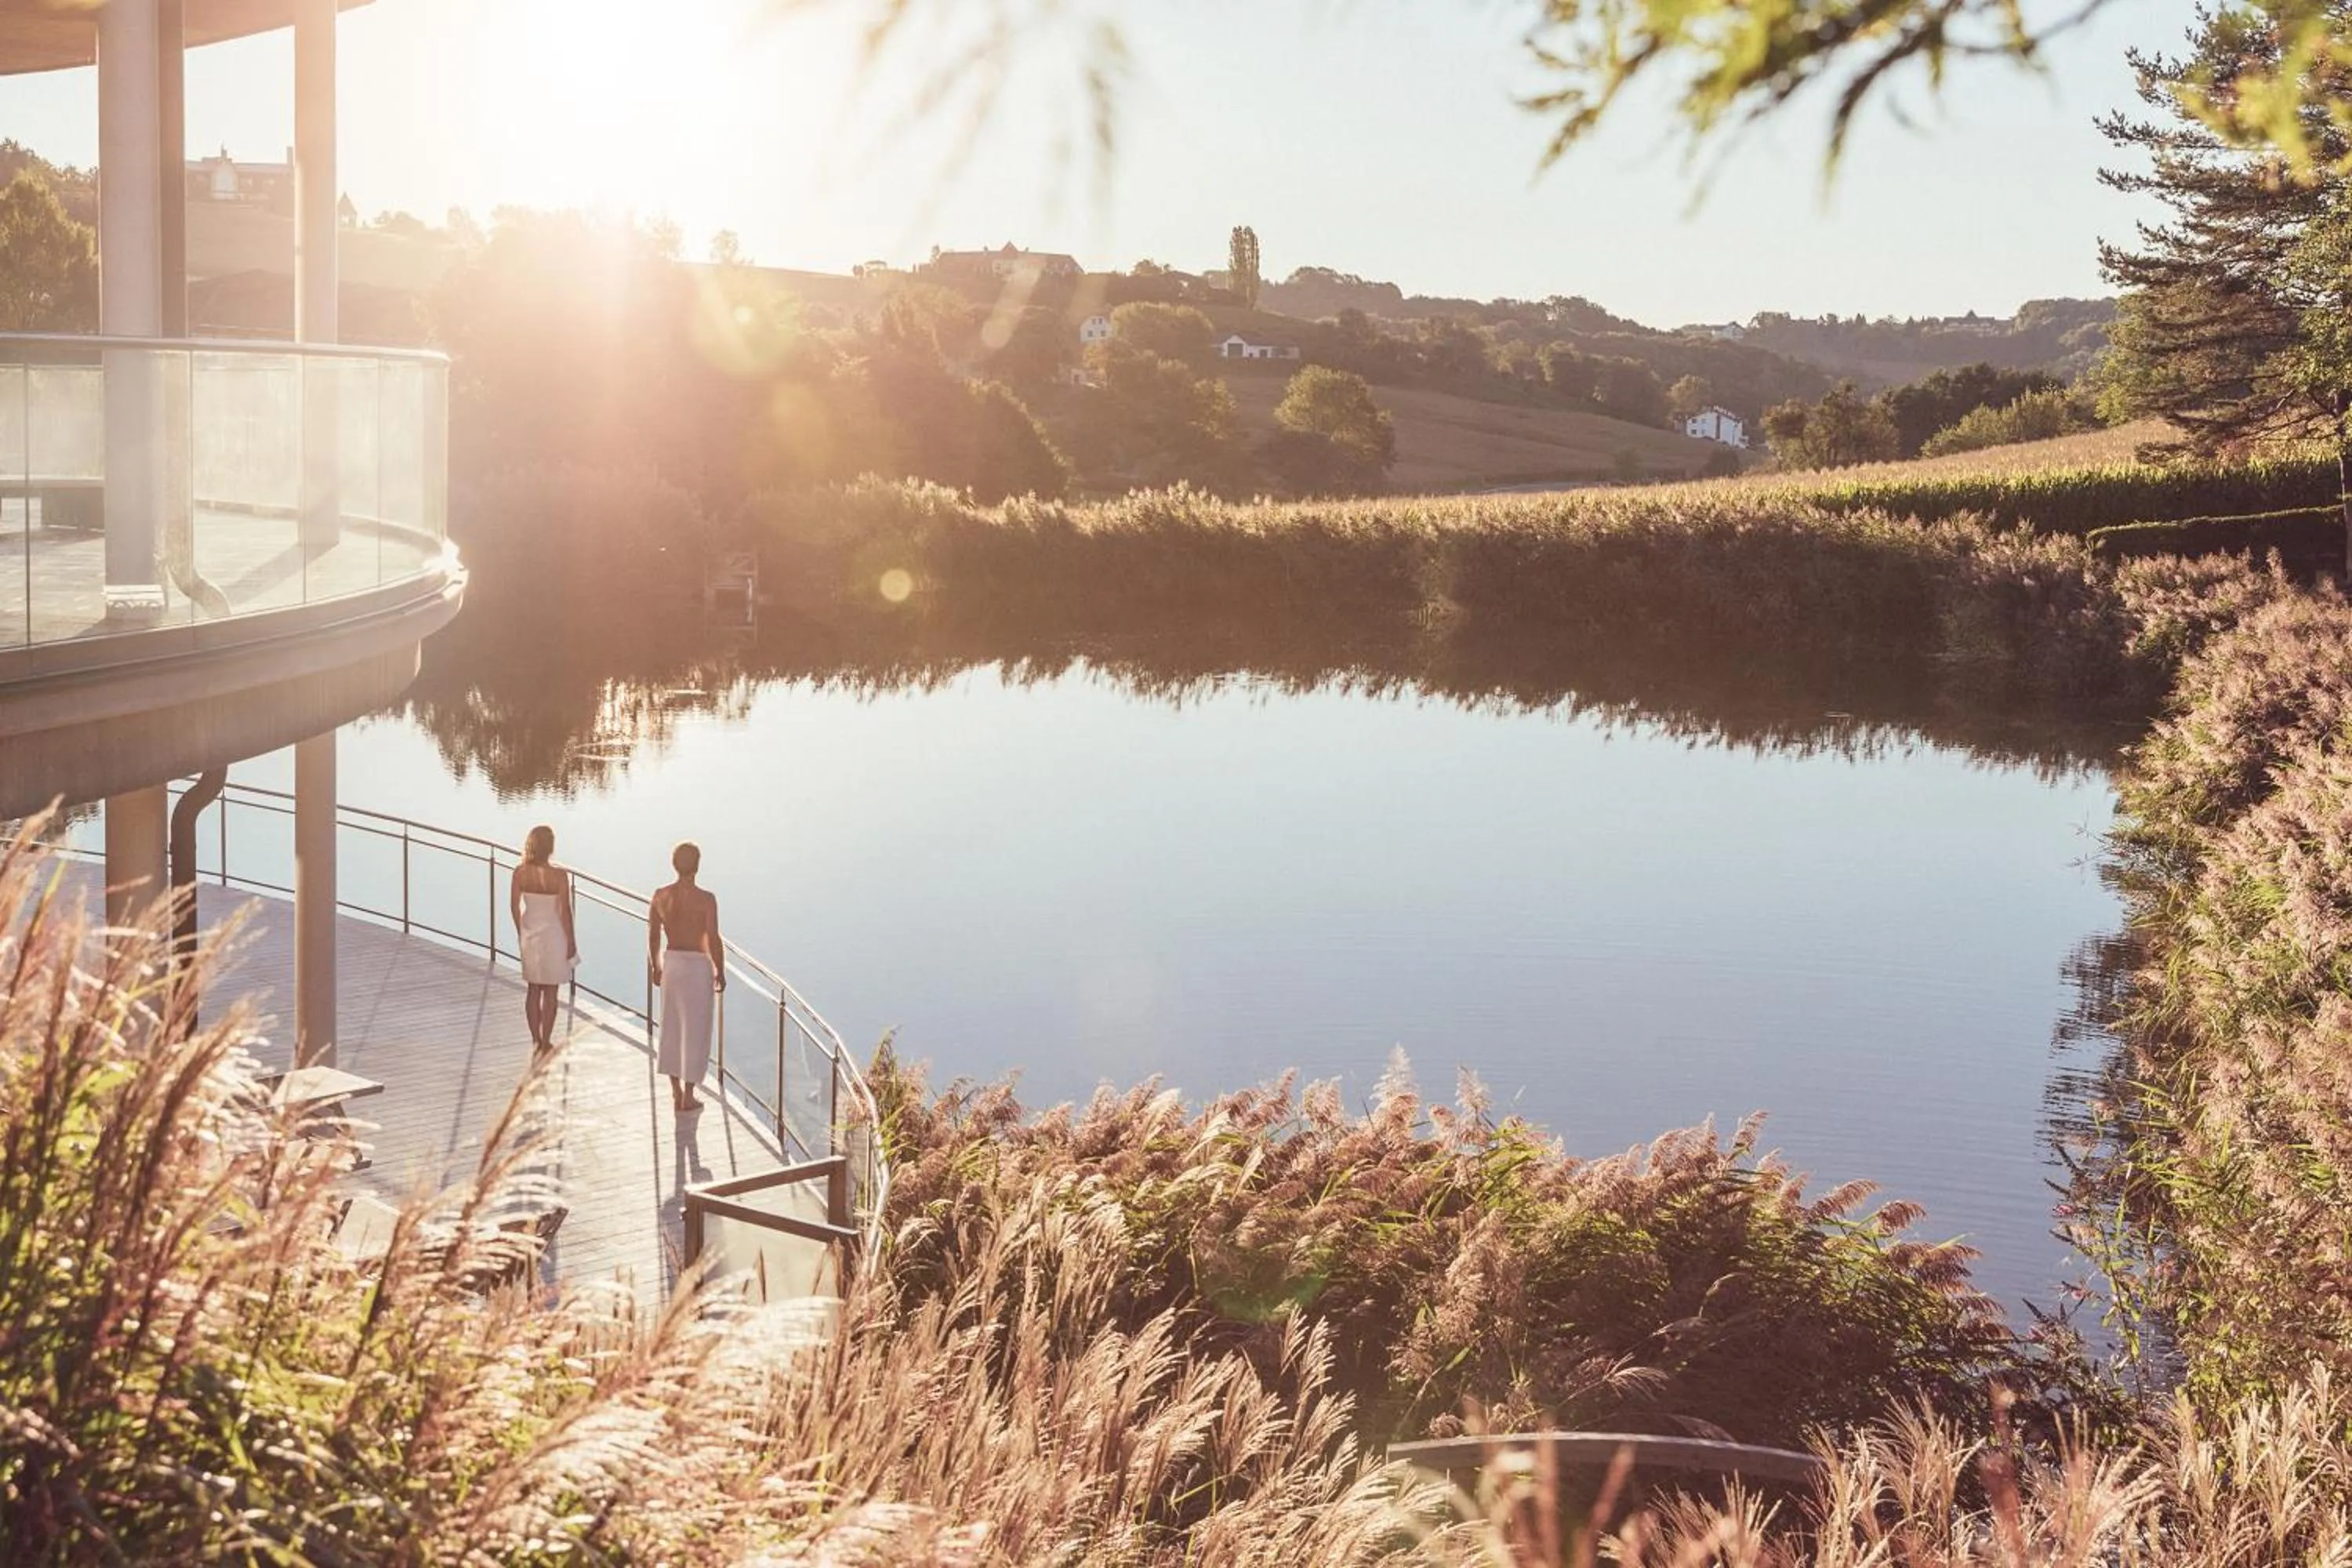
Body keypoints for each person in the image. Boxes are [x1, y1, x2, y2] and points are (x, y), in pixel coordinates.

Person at [648, 840, 725, 1111]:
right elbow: (713, 938)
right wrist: (720, 969)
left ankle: (675, 1091)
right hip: (697, 967)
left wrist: (656, 967)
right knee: (696, 1031)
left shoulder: (661, 896)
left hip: (672, 964)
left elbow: (654, 937)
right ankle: (689, 1094)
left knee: (672, 1027)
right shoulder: (706, 899)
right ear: (698, 866)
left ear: (674, 865)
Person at [509, 825, 577, 1054]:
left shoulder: (520, 872)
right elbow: (565, 911)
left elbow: (514, 906)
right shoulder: (559, 875)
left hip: (530, 933)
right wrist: (571, 941)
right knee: (551, 990)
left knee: (533, 988)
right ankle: (546, 1039)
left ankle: (536, 1038)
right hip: (554, 934)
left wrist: (522, 930)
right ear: (550, 847)